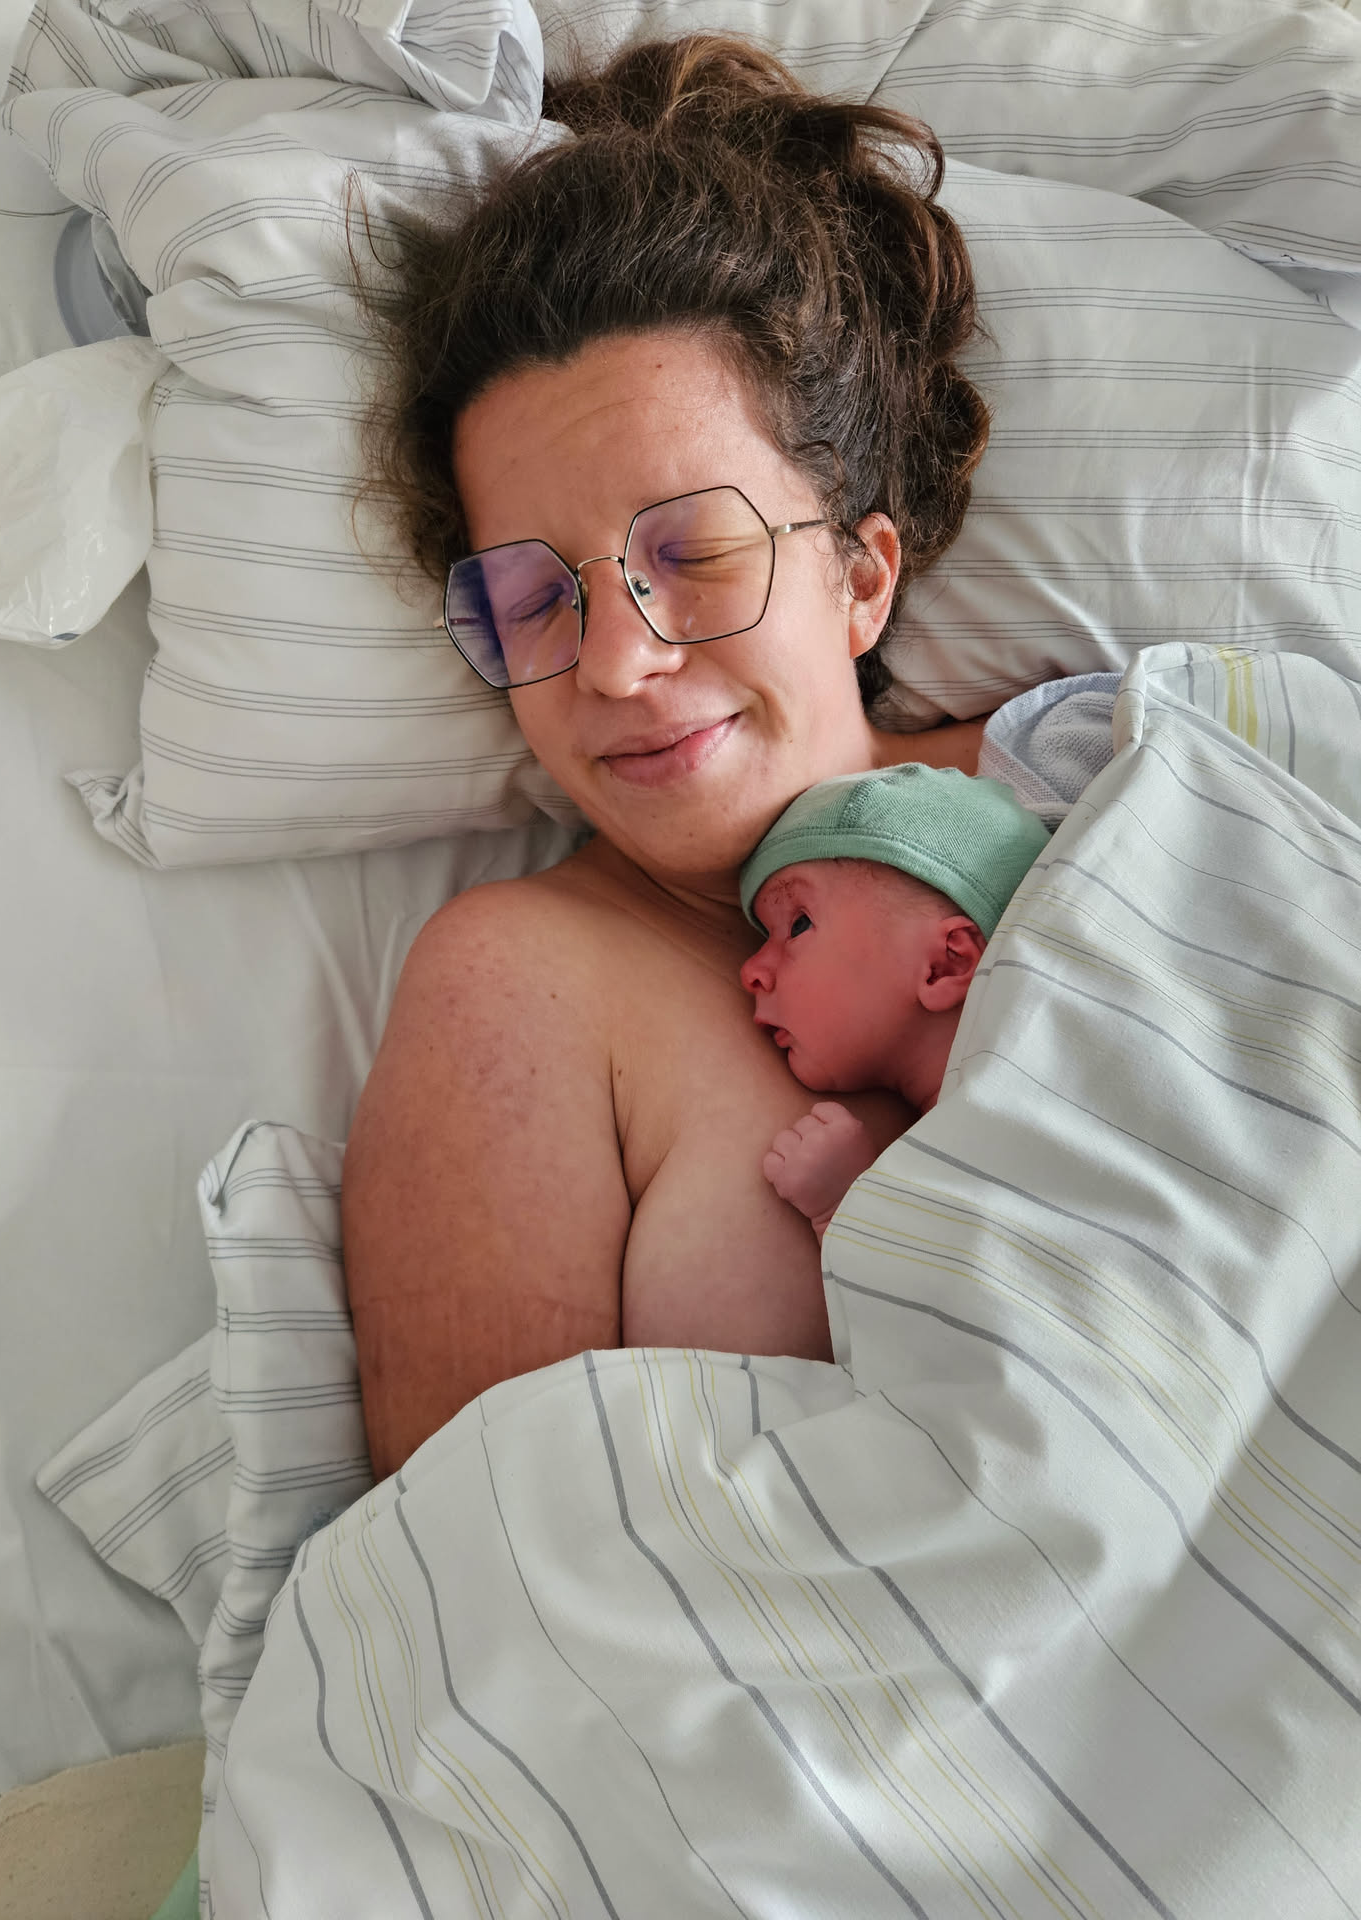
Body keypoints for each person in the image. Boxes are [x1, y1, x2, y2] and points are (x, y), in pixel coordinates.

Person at [343, 33, 995, 1477]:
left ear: (862, 576)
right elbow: (478, 1558)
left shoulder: (1103, 791)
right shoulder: (526, 987)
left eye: (693, 554)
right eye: (535, 599)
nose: (616, 663)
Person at [736, 764, 1051, 1240]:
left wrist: (843, 1206)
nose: (749, 970)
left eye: (798, 925)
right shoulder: (952, 1129)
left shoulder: (1028, 1103)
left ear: (945, 964)